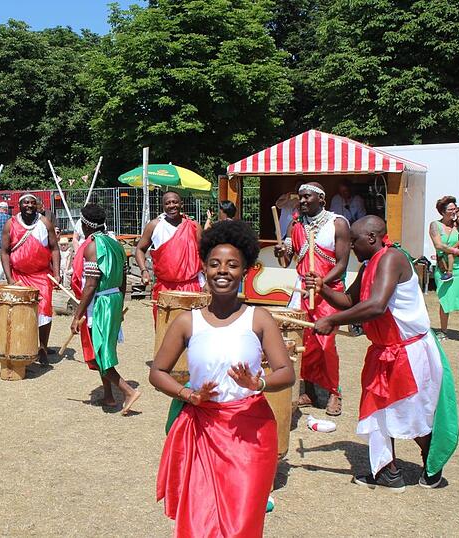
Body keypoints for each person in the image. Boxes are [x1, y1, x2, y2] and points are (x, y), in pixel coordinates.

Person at [151, 219, 294, 537]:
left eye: (232, 265)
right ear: (204, 268)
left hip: (250, 434)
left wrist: (257, 384)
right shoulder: (188, 322)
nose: (223, 271)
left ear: (245, 271)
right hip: (202, 431)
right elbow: (157, 372)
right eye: (215, 264)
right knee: (200, 522)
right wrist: (189, 395)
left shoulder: (259, 319)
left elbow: (287, 373)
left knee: (241, 523)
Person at [310, 216, 459, 491]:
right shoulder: (369, 265)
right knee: (379, 410)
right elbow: (349, 300)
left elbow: (377, 305)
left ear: (371, 238)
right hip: (385, 350)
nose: (351, 247)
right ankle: (387, 472)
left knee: (412, 413)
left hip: (408, 352)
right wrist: (324, 288)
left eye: (354, 241)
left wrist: (332, 321)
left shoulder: (391, 258)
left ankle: (432, 464)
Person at [274, 181, 350, 416]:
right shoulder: (294, 225)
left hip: (328, 291)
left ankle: (334, 392)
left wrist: (321, 284)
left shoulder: (337, 224)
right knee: (301, 342)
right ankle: (308, 390)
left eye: (307, 197)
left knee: (325, 342)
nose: (303, 201)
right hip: (301, 291)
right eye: (301, 197)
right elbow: (286, 260)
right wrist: (281, 253)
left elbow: (342, 263)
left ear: (321, 200)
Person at [70, 203, 141, 412]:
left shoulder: (93, 246)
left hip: (100, 303)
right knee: (104, 349)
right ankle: (109, 396)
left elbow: (91, 284)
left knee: (99, 353)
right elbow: (123, 278)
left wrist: (77, 315)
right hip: (114, 300)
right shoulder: (115, 243)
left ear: (86, 225)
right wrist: (119, 307)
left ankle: (128, 391)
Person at [0, 193, 60, 365]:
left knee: (44, 311)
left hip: (41, 275)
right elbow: (4, 252)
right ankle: (23, 346)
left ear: (37, 205)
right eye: (26, 202)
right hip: (19, 276)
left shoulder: (45, 223)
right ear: (19, 205)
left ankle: (42, 348)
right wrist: (10, 278)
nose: (29, 206)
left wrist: (57, 273)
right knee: (20, 313)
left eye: (32, 203)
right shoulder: (10, 224)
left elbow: (55, 248)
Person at [135, 191, 205, 321]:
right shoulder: (154, 225)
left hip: (191, 285)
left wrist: (208, 281)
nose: (172, 205)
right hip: (164, 286)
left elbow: (205, 254)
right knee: (164, 330)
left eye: (175, 202)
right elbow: (140, 249)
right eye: (167, 203)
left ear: (181, 204)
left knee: (192, 330)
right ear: (163, 207)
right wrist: (144, 270)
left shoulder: (194, 226)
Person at [428, 196, 459, 346]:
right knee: (444, 299)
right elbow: (438, 245)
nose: (454, 211)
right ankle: (443, 331)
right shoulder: (435, 225)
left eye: (455, 208)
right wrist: (457, 251)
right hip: (444, 267)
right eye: (451, 209)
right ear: (443, 212)